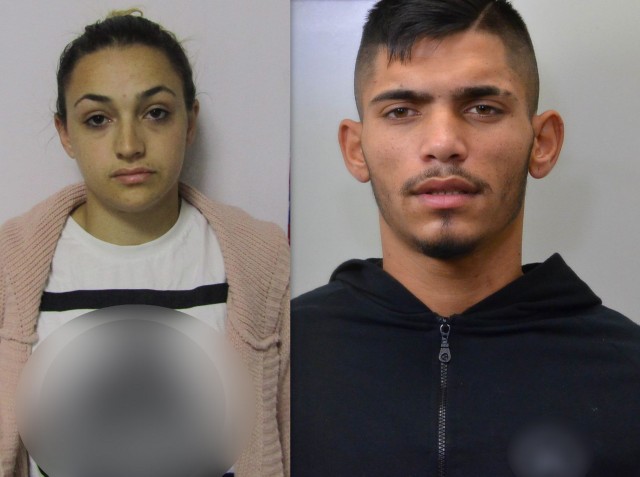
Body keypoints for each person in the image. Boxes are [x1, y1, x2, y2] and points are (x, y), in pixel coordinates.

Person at [291, 1, 640, 476]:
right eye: (401, 111)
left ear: (542, 143)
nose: (443, 143)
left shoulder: (627, 372)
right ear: (356, 150)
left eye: (482, 108)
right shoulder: (281, 361)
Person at [0, 11, 289, 477]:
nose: (129, 145)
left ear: (189, 122)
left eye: (156, 113)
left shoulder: (264, 263)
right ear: (65, 133)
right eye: (98, 119)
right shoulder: (9, 270)